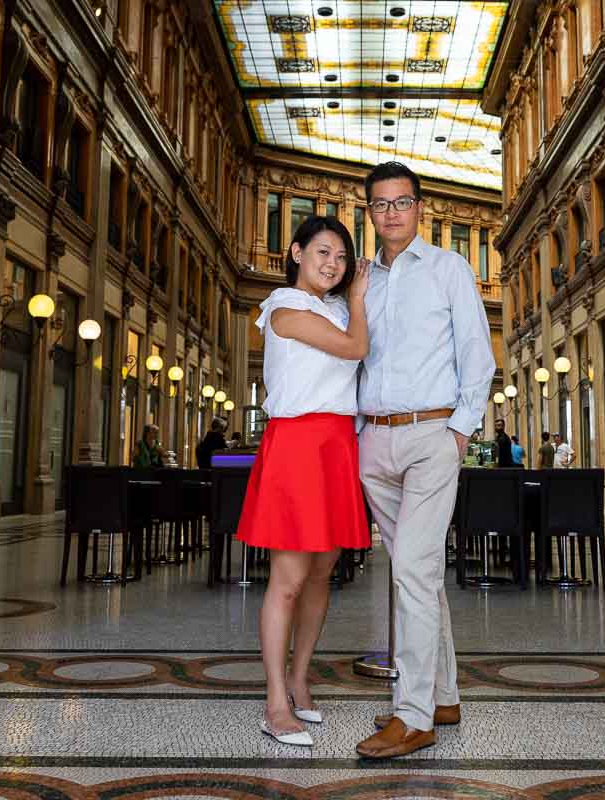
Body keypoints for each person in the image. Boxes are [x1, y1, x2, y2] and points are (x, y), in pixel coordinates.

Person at [354, 161, 495, 760]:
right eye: (380, 204)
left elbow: (477, 356)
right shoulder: (360, 278)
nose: (391, 213)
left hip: (432, 436)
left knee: (411, 568)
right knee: (419, 573)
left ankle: (412, 717)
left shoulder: (449, 269)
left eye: (402, 202)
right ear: (370, 212)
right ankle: (443, 692)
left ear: (420, 207)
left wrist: (458, 433)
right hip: (374, 441)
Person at [235, 215, 371, 747]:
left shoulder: (334, 309)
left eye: (341, 258)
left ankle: (299, 678)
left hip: (337, 445)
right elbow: (355, 348)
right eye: (322, 253)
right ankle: (274, 701)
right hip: (297, 445)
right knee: (288, 579)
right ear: (296, 253)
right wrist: (359, 295)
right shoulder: (285, 308)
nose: (333, 265)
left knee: (321, 574)